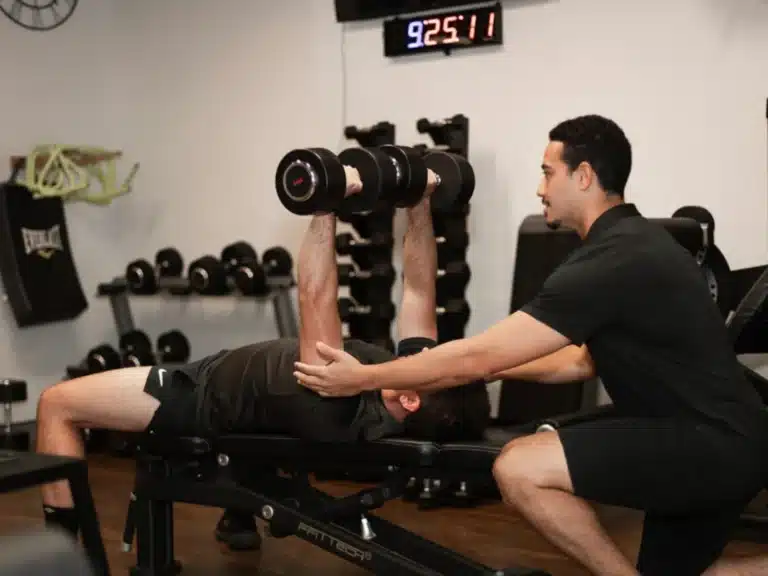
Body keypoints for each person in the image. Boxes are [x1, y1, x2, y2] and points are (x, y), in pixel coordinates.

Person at [294, 115, 768, 576]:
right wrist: (493, 368)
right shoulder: (638, 243)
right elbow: (579, 363)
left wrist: (363, 377)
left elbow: (479, 356)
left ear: (584, 176)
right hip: (727, 439)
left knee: (520, 467)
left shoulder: (610, 261)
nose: (540, 188)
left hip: (705, 444)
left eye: (548, 172)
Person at [34, 172, 491, 549]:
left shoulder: (337, 397)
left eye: (431, 366)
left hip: (195, 392)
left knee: (57, 404)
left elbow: (315, 293)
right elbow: (418, 289)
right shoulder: (404, 380)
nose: (428, 356)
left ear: (410, 400)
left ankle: (61, 553)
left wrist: (325, 205)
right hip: (246, 395)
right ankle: (238, 511)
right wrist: (419, 202)